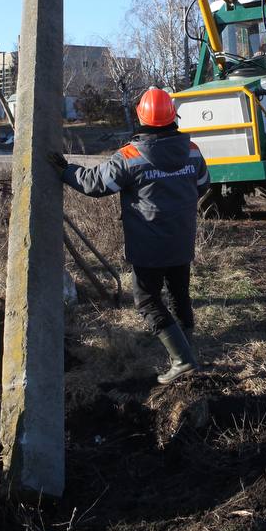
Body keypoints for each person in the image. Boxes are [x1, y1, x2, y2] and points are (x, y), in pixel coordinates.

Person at [50, 87, 208, 384]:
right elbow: (202, 185)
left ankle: (182, 359)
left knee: (148, 301)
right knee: (178, 294)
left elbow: (95, 184)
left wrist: (66, 170)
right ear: (174, 116)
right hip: (182, 238)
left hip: (149, 244)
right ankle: (187, 347)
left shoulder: (130, 156)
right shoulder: (192, 151)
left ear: (140, 116)